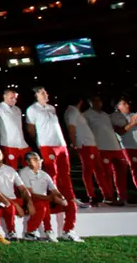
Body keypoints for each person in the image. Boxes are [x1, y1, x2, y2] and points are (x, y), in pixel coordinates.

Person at [25, 86, 82, 241]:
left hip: (61, 144)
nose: (46, 94)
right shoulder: (32, 109)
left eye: (46, 92)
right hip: (47, 144)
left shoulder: (51, 108)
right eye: (42, 93)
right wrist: (39, 142)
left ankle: (70, 197)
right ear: (36, 96)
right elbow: (30, 129)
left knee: (65, 173)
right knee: (52, 173)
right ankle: (53, 201)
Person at [64, 94, 114, 204]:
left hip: (91, 144)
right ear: (81, 102)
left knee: (99, 170)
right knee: (88, 171)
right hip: (85, 145)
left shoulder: (77, 112)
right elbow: (71, 129)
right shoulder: (72, 112)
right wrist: (74, 144)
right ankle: (92, 195)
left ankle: (108, 196)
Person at [85, 95, 129, 206]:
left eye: (99, 100)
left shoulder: (105, 115)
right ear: (90, 101)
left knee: (121, 172)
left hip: (115, 147)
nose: (98, 103)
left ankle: (122, 196)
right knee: (105, 174)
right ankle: (108, 197)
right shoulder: (86, 115)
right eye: (95, 100)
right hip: (101, 148)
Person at [19, 151, 69, 241]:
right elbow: (29, 194)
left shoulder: (44, 174)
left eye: (39, 160)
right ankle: (32, 231)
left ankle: (51, 230)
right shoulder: (24, 172)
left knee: (47, 203)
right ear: (28, 162)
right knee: (42, 205)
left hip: (43, 199)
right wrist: (51, 198)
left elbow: (54, 189)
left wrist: (62, 198)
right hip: (29, 199)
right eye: (35, 160)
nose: (39, 162)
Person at [0, 88, 29, 169]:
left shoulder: (17, 109)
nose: (14, 100)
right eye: (11, 98)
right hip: (7, 144)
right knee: (11, 168)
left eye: (15, 98)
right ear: (5, 96)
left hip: (22, 143)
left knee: (28, 165)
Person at [110, 96, 137, 194]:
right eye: (124, 104)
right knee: (134, 170)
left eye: (127, 103)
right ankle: (121, 195)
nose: (127, 105)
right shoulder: (115, 116)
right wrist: (132, 123)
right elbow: (121, 131)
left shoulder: (133, 114)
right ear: (117, 106)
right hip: (128, 147)